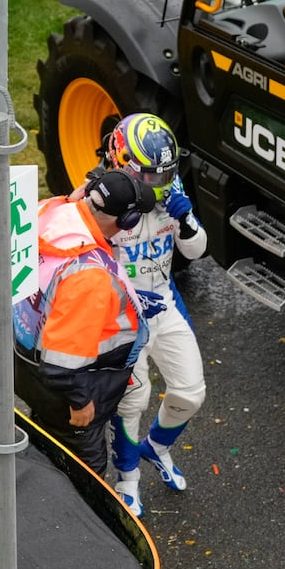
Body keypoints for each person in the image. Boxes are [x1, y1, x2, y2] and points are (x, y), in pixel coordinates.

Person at [95, 113, 209, 518]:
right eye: (150, 177)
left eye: (165, 176)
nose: (160, 185)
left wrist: (186, 220)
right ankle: (126, 481)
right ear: (122, 163)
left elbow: (197, 252)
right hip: (121, 314)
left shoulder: (169, 188)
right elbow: (83, 265)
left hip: (165, 301)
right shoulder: (99, 195)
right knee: (134, 398)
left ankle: (156, 449)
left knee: (191, 392)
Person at [13, 168, 155, 472]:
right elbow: (61, 367)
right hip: (65, 397)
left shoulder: (51, 212)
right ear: (126, 221)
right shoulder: (89, 277)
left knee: (44, 443)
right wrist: (81, 403)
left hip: (25, 367)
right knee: (82, 475)